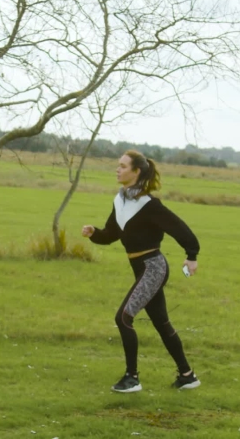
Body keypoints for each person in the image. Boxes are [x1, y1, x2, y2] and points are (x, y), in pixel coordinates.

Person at [82, 150, 201, 393]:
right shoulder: (121, 201)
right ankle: (187, 376)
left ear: (136, 172)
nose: (118, 169)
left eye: (123, 166)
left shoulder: (149, 205)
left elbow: (179, 228)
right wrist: (94, 233)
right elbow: (112, 234)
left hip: (153, 268)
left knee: (123, 318)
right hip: (141, 270)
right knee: (161, 322)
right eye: (118, 165)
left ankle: (132, 378)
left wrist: (192, 255)